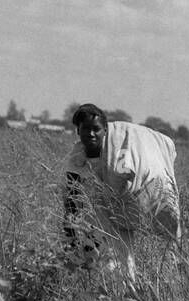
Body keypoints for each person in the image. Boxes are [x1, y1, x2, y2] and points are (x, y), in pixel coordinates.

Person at [63, 103, 181, 280]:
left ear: (105, 130)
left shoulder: (119, 154)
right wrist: (70, 237)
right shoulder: (76, 160)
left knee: (122, 262)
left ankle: (131, 293)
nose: (91, 134)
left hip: (124, 208)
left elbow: (125, 178)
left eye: (96, 129)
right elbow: (71, 199)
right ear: (78, 131)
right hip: (97, 218)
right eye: (86, 129)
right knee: (108, 262)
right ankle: (116, 294)